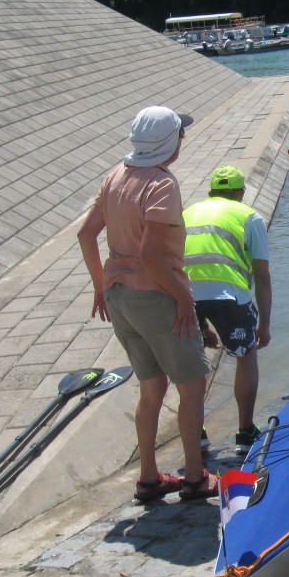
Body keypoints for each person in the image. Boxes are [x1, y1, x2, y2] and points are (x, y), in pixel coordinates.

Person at [78, 106, 218, 502]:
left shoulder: (115, 176)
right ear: (170, 142)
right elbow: (153, 257)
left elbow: (86, 235)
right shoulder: (161, 185)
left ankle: (149, 478)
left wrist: (100, 286)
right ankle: (195, 478)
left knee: (151, 387)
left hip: (121, 297)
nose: (184, 139)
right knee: (192, 389)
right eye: (180, 134)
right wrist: (184, 299)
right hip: (156, 296)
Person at [182, 165, 272, 452]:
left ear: (210, 192)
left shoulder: (186, 213)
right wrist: (265, 326)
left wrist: (203, 324)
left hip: (184, 295)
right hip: (229, 296)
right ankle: (245, 433)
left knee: (191, 364)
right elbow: (262, 276)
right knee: (245, 358)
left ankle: (196, 432)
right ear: (241, 193)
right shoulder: (250, 217)